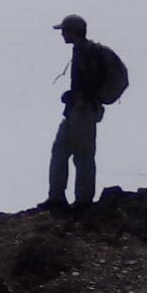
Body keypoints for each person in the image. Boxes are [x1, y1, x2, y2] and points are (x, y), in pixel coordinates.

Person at [46, 13, 109, 211]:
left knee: (81, 156)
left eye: (64, 31)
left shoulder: (85, 52)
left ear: (73, 32)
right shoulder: (83, 51)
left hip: (82, 111)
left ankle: (81, 202)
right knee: (62, 151)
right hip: (78, 110)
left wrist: (78, 98)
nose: (62, 35)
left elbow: (89, 82)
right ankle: (59, 198)